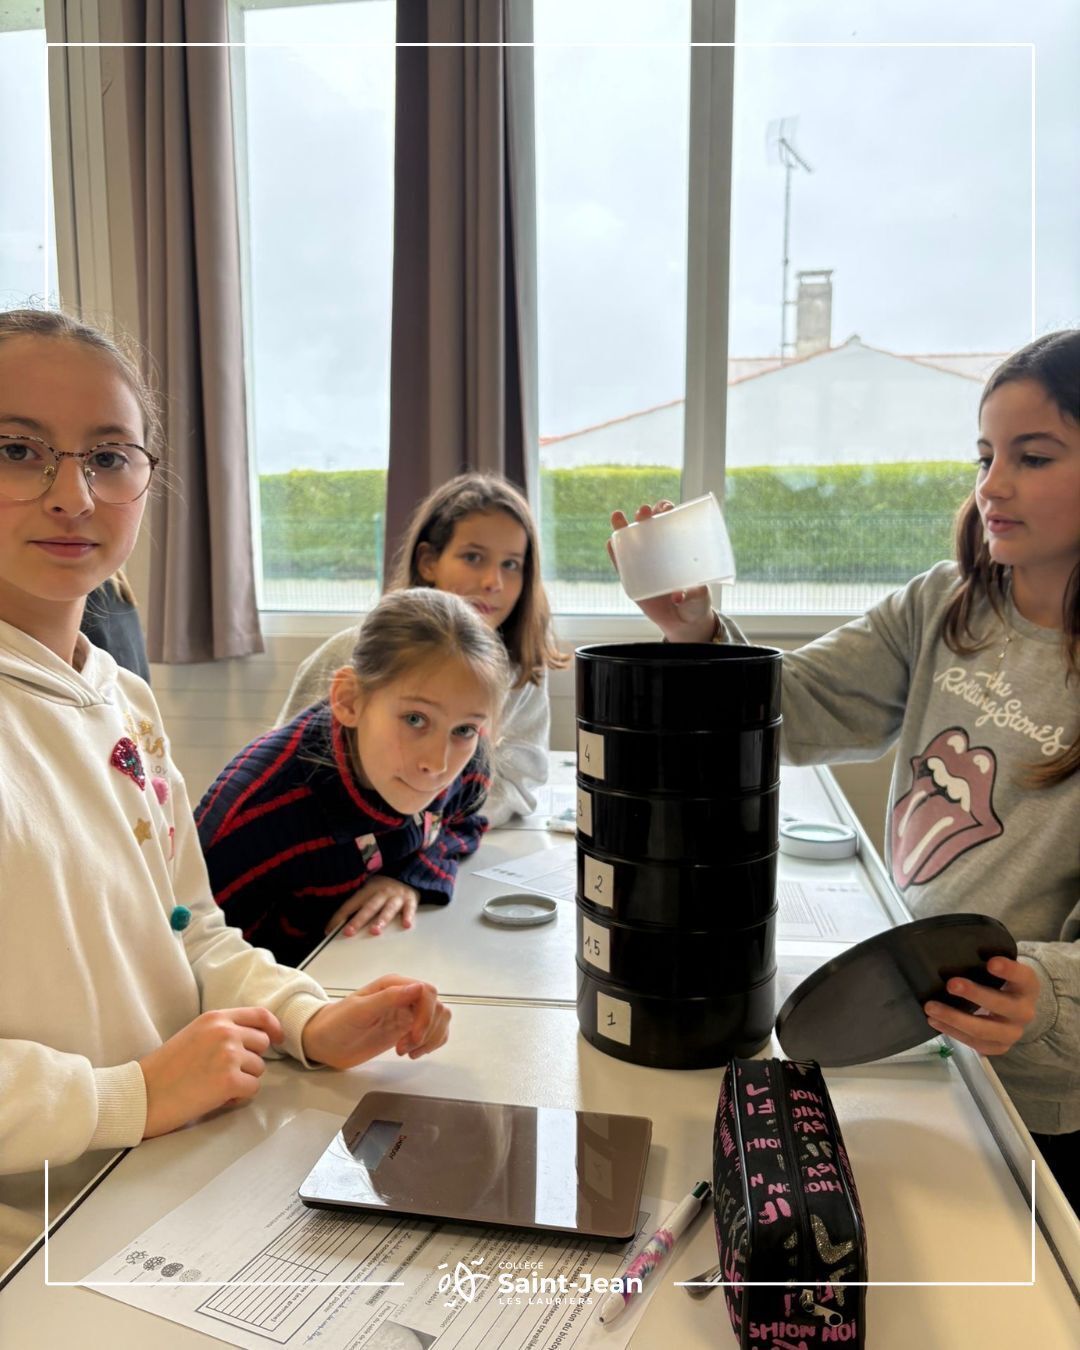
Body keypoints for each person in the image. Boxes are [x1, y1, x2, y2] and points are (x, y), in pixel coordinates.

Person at [0, 309, 451, 1276]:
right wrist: (127, 1096)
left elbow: (190, 932)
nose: (73, 495)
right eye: (16, 450)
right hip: (38, 1243)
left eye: (108, 457)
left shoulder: (120, 699)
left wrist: (308, 1018)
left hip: (170, 1178)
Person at [611, 330, 1080, 1207]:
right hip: (917, 1024)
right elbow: (801, 704)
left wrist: (1042, 997)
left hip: (1037, 1091)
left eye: (1034, 457)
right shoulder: (943, 602)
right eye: (985, 456)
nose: (992, 485)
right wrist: (696, 633)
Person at [198, 587, 508, 961]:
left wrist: (408, 877)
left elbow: (463, 821)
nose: (438, 764)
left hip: (371, 964)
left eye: (465, 729)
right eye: (415, 719)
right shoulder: (256, 816)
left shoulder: (468, 759)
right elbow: (192, 949)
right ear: (348, 700)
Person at [277, 473, 566, 835]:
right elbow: (288, 765)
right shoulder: (349, 651)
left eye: (511, 564)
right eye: (473, 557)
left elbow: (519, 781)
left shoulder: (522, 668)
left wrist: (431, 829)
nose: (493, 581)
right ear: (428, 561)